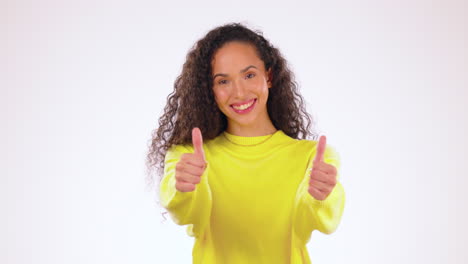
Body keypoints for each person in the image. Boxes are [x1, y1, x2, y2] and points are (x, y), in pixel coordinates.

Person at [146, 23, 345, 264]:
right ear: (210, 89)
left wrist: (320, 196)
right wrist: (184, 187)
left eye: (249, 75)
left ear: (268, 76)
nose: (239, 93)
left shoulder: (313, 158)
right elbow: (185, 211)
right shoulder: (188, 156)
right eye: (223, 81)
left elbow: (320, 220)